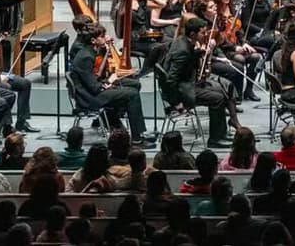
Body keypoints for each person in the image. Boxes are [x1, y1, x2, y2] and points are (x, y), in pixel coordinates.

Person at [163, 17, 236, 148]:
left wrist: (199, 53)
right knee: (217, 98)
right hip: (183, 90)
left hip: (188, 83)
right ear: (192, 34)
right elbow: (171, 79)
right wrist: (176, 102)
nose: (206, 35)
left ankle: (222, 133)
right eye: (203, 32)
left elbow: (189, 57)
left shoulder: (183, 41)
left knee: (222, 89)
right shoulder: (183, 51)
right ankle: (215, 139)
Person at [69, 24, 148, 144]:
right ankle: (137, 138)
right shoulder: (85, 57)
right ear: (93, 40)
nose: (105, 37)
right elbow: (95, 87)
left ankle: (113, 120)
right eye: (102, 36)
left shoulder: (92, 51)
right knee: (132, 94)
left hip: (95, 89)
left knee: (134, 84)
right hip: (89, 98)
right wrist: (110, 80)